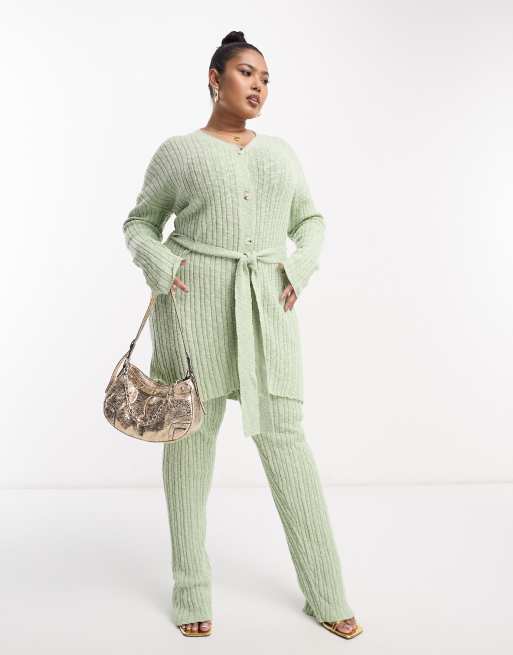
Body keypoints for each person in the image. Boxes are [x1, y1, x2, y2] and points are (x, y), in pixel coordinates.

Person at [122, 30, 363, 640]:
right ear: (215, 78)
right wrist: (161, 265)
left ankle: (327, 592)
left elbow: (310, 220)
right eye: (246, 73)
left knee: (288, 446)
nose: (258, 86)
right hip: (192, 315)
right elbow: (140, 223)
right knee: (188, 453)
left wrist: (298, 268)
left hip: (267, 315)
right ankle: (190, 591)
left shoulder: (280, 154)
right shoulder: (179, 152)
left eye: (266, 78)